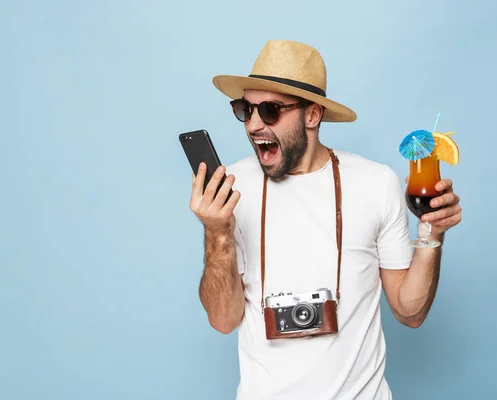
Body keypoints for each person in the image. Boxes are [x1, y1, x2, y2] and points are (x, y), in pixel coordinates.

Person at [188, 39, 462, 400]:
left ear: (313, 115)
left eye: (269, 110)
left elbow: (410, 312)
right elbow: (223, 320)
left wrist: (432, 232)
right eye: (245, 109)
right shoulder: (232, 190)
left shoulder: (376, 183)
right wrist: (216, 231)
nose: (254, 124)